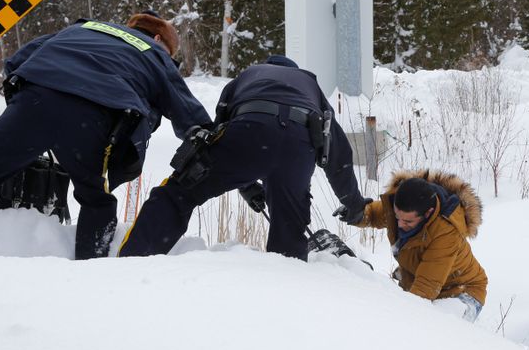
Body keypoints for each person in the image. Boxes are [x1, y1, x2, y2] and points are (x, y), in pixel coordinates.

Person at [0, 11, 211, 259]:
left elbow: (18, 60)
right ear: (157, 38)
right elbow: (190, 116)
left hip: (38, 98)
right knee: (96, 199)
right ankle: (88, 272)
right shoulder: (155, 53)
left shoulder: (84, 27)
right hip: (94, 114)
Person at [118, 54, 367, 261]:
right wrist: (354, 206)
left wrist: (244, 183)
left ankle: (135, 260)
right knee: (289, 228)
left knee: (178, 194)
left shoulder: (249, 75)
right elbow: (339, 156)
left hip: (249, 128)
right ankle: (286, 292)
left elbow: (220, 135)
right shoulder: (310, 86)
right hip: (298, 145)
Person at [335, 170, 487, 322]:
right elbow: (376, 213)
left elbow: (425, 289)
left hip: (462, 291)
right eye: (397, 218)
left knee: (433, 327)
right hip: (421, 281)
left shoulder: (446, 232)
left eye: (407, 222)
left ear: (428, 213)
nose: (400, 225)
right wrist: (358, 213)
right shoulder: (404, 204)